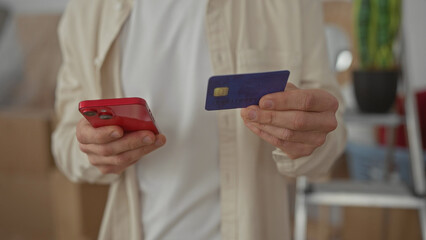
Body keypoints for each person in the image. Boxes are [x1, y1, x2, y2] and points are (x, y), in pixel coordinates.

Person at [52, 0, 347, 239]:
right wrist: (93, 150)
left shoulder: (293, 6)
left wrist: (307, 137)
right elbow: (64, 138)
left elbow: (333, 131)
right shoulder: (87, 10)